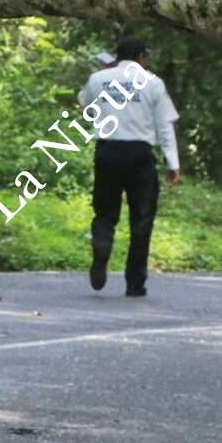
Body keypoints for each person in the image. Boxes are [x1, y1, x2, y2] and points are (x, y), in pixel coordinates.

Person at [77, 37, 181, 297]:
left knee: (104, 211)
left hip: (107, 151)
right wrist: (173, 162)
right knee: (141, 219)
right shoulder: (153, 83)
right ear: (142, 58)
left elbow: (84, 104)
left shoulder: (98, 79)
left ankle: (102, 245)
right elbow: (165, 125)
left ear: (117, 56)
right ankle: (135, 283)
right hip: (140, 156)